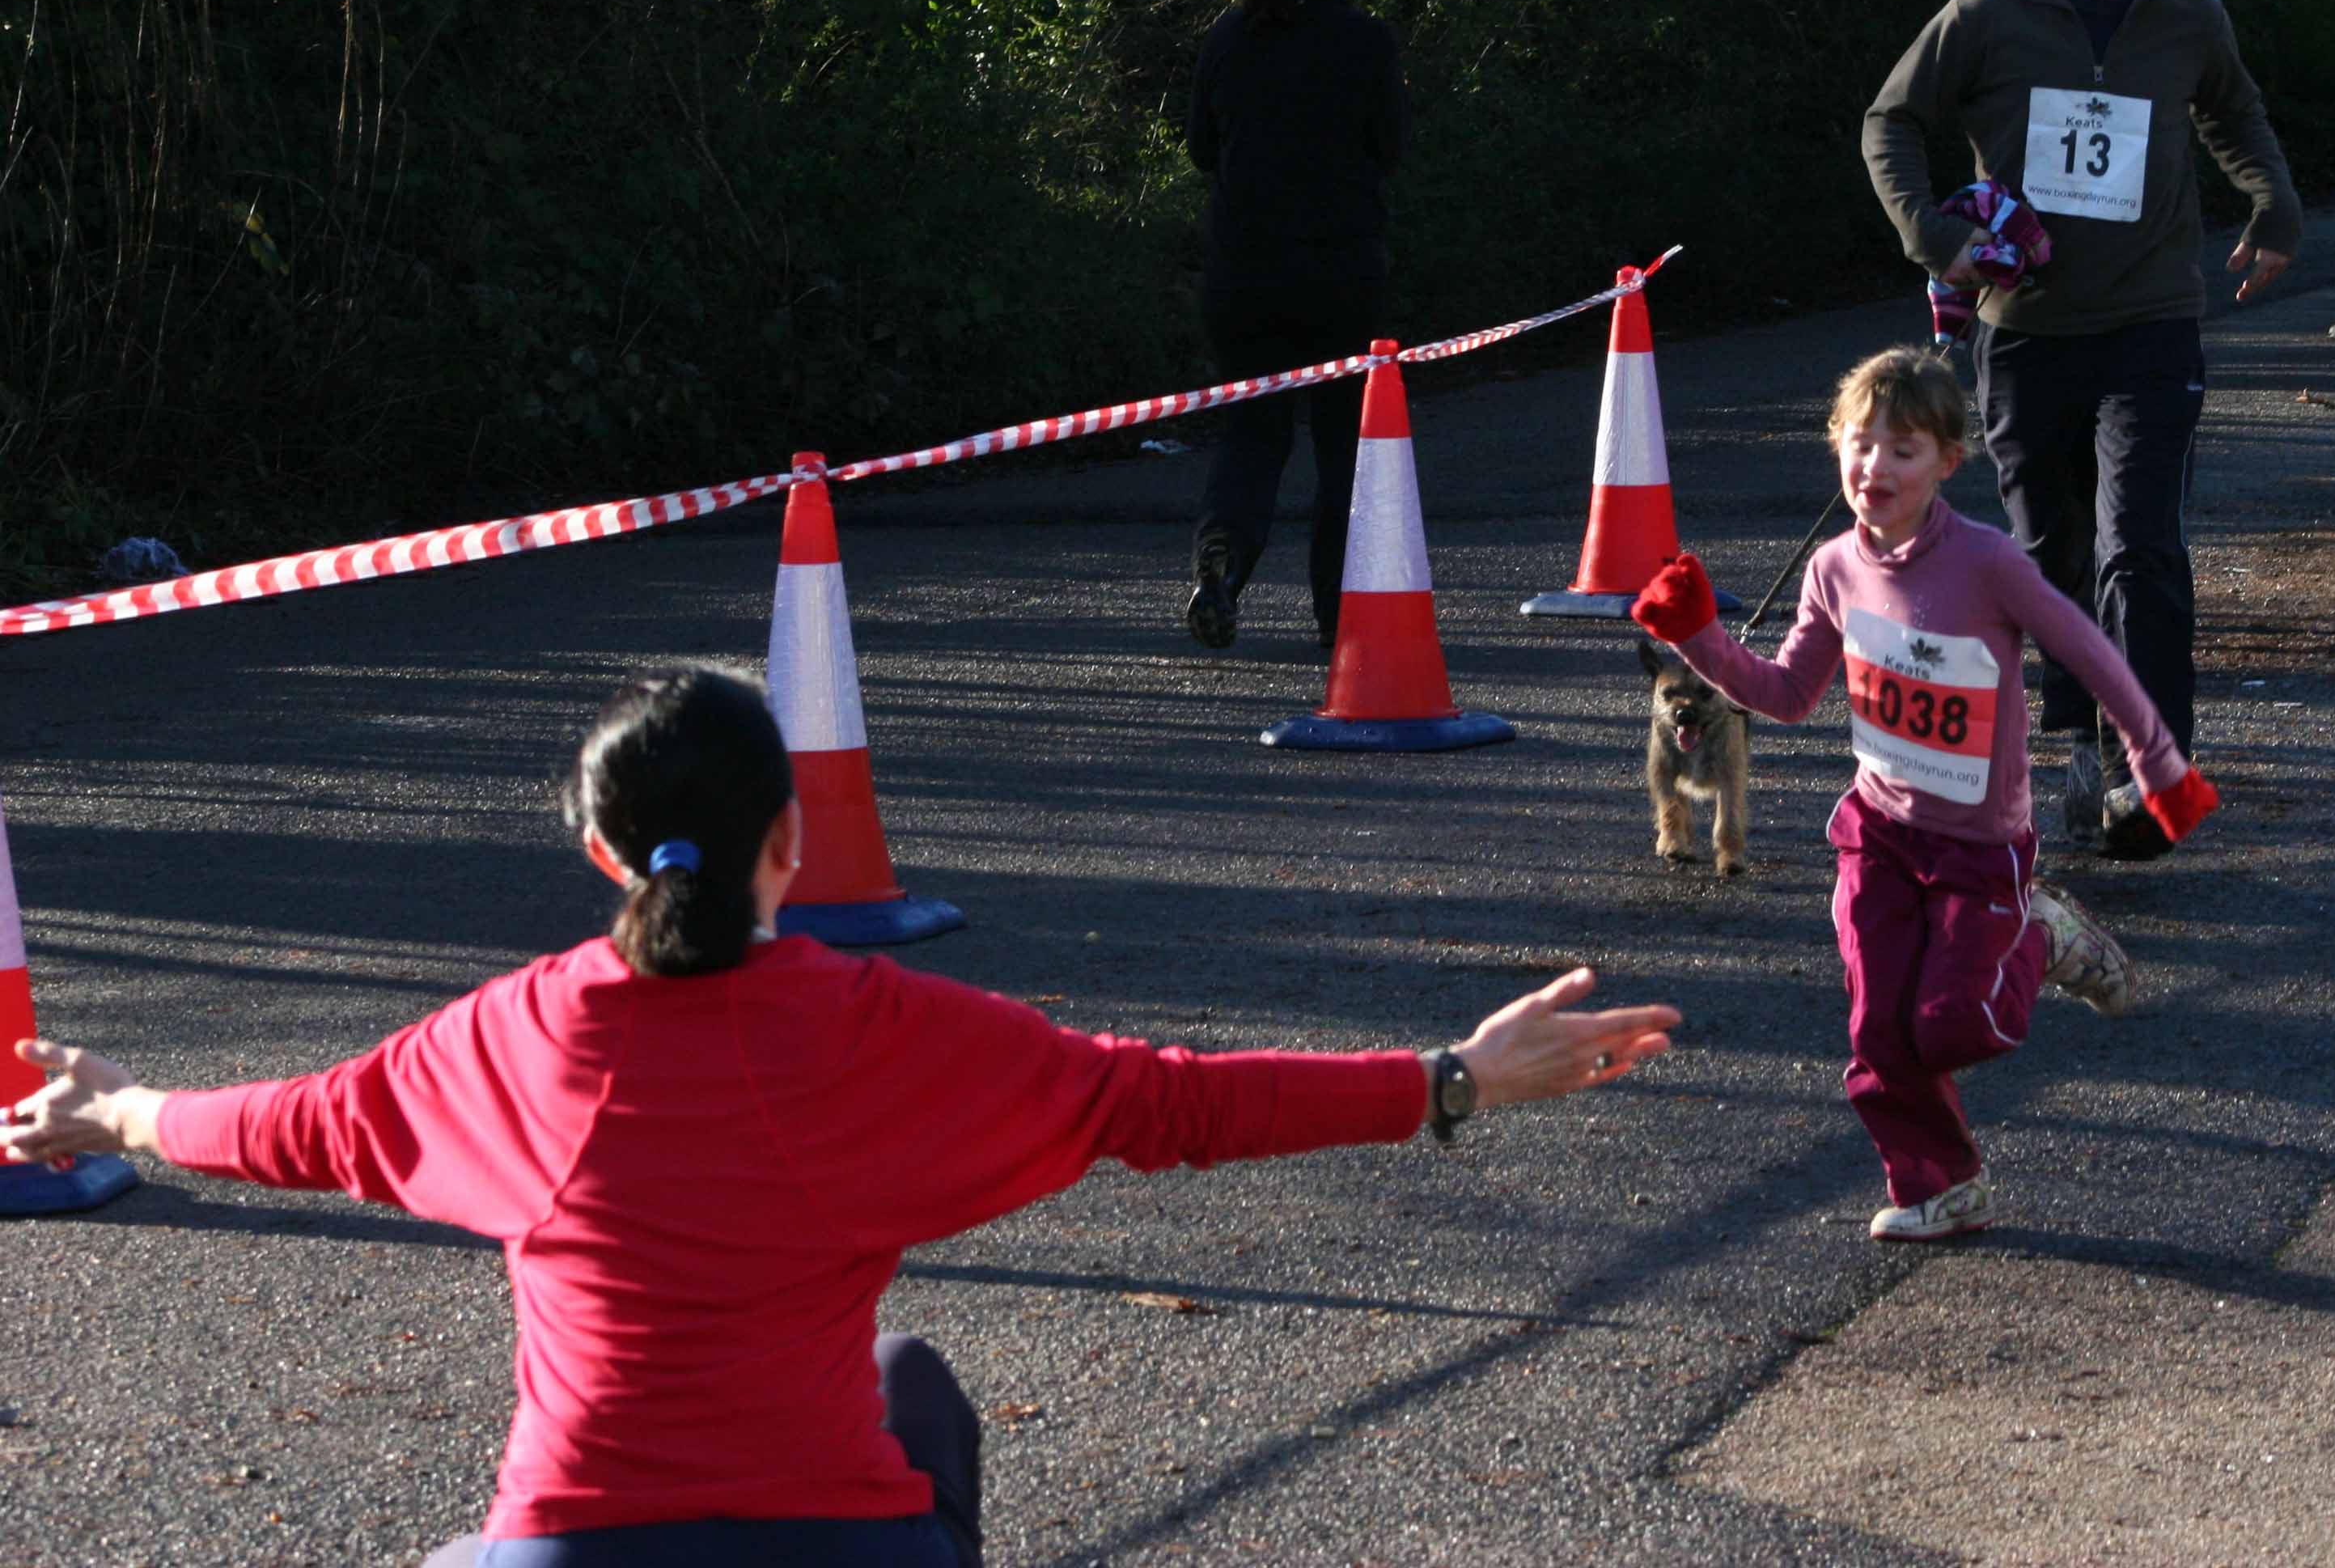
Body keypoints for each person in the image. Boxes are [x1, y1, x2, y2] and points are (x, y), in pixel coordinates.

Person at [1, 666, 1678, 1567]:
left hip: (571, 1550)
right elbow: (1162, 1104)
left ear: (598, 855)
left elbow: (279, 1122)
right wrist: (1454, 1076)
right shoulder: (887, 1029)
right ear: (794, 842)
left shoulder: (505, 1039)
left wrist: (112, 1105)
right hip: (840, 1552)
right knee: (909, 1389)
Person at [1629, 350, 2218, 1241]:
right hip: (1879, 834)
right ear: (1836, 449)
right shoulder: (1833, 567)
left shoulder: (1988, 563)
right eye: (1860, 445)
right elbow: (1787, 695)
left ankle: (2042, 932)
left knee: (1954, 1026)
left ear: (1949, 460)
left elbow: (2090, 651)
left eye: (1903, 449)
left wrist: (2158, 762)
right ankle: (1941, 1184)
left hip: (1981, 845)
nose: (1875, 467)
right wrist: (1699, 634)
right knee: (1878, 1036)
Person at [1859, 0, 2300, 860]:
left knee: (2138, 546)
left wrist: (2273, 202)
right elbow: (1892, 120)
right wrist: (1933, 234)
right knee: (2050, 555)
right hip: (2025, 331)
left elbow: (2234, 113)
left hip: (2152, 320)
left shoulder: (2189, 19)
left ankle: (2151, 770)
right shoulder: (1987, 14)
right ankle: (2073, 742)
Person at [1183, 0, 1411, 652]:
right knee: (1346, 442)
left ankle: (1222, 558)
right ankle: (1338, 615)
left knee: (1254, 429)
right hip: (1338, 274)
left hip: (1241, 274)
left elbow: (1200, 148)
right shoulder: (1366, 41)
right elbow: (1391, 147)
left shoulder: (1229, 34)